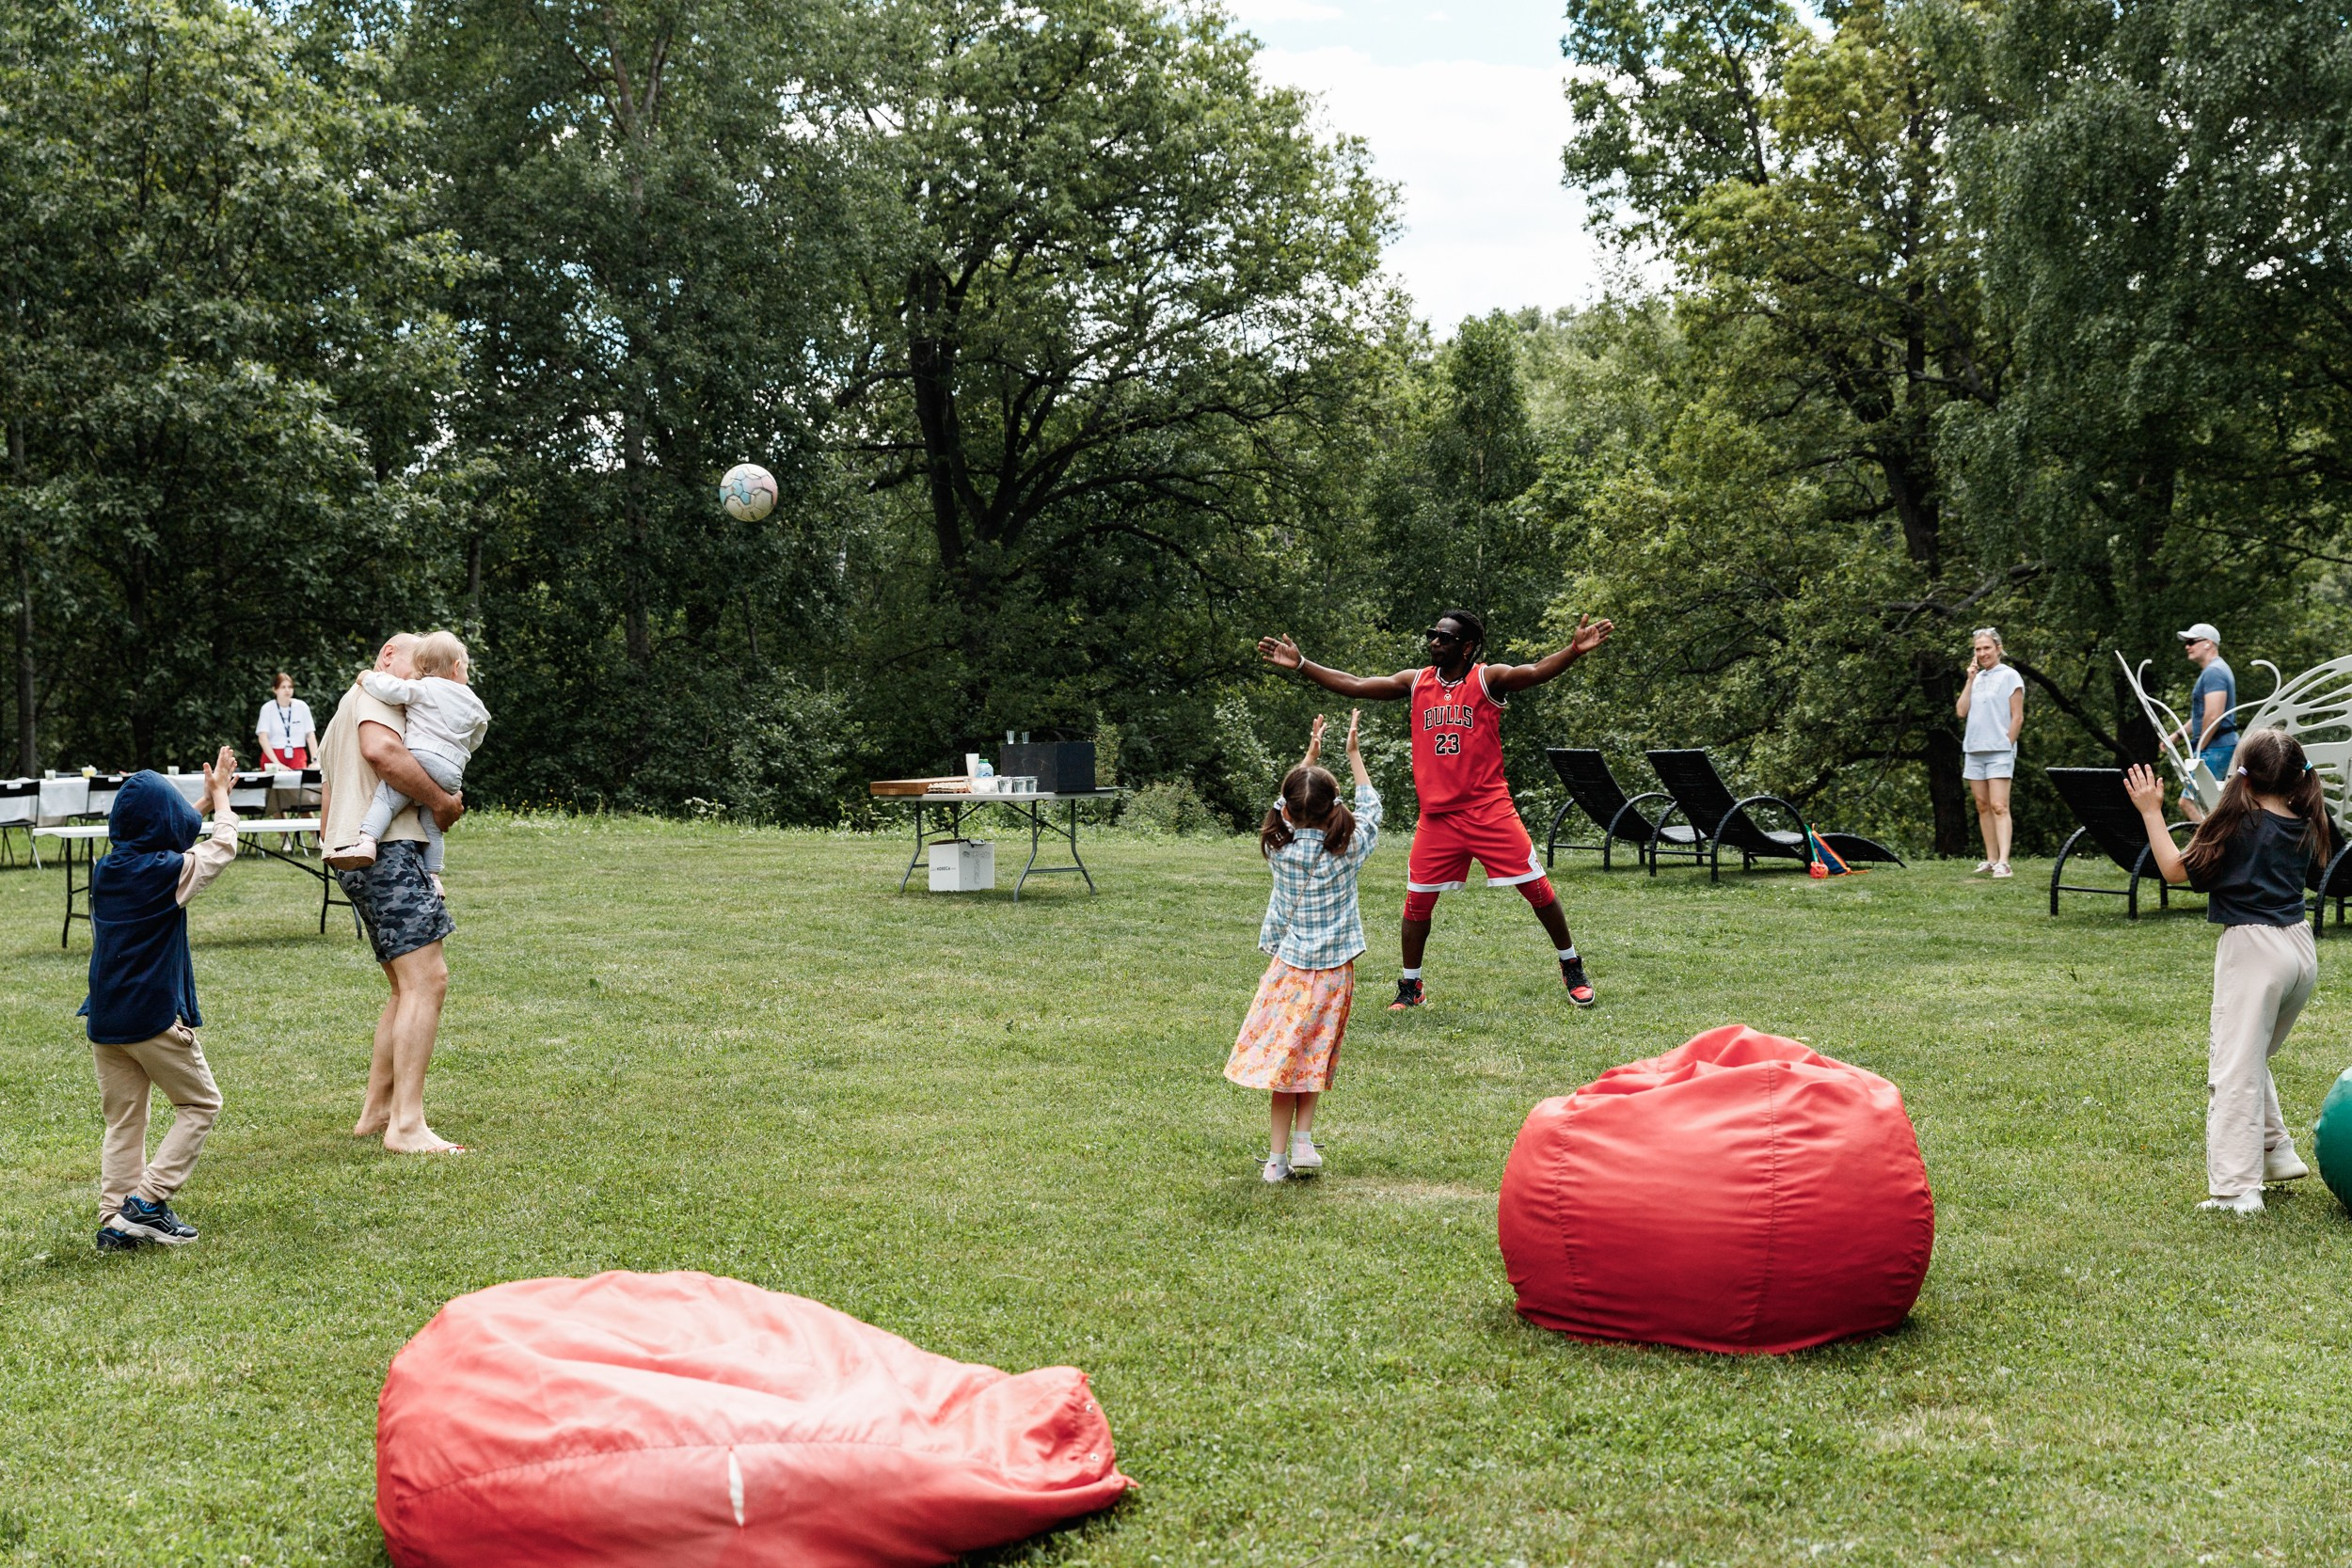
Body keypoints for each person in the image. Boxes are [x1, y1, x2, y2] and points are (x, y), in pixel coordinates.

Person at [1258, 609, 1613, 1010]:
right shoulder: (1417, 681)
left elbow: (1532, 672)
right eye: (1433, 635)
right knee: (1417, 903)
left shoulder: (1486, 677)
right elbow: (1356, 684)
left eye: (1443, 637)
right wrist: (1302, 664)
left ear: (1466, 646)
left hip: (1488, 809)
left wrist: (1573, 651)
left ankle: (1571, 965)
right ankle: (1411, 987)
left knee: (1536, 888)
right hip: (1438, 818)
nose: (1434, 642)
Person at [2124, 728, 2331, 1214]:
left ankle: (2238, 1189)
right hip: (2299, 949)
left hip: (2254, 950)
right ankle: (2275, 1151)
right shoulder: (2307, 817)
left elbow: (2175, 870)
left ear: (2245, 772)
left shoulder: (2236, 822)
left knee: (2234, 1069)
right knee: (2251, 1054)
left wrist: (2152, 811)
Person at [81, 749, 239, 1252]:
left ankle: (115, 1219)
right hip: (152, 1018)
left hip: (106, 1021)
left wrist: (205, 801)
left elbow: (166, 830)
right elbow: (222, 848)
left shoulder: (108, 870)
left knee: (125, 1121)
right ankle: (147, 1203)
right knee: (200, 1104)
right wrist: (221, 805)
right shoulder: (167, 874)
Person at [318, 632, 468, 1155]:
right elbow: (381, 752)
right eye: (417, 661)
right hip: (388, 850)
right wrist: (443, 802)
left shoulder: (343, 710)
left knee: (405, 986)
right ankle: (406, 1126)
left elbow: (330, 792)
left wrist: (335, 850)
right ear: (387, 657)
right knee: (428, 980)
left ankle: (378, 1112)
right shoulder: (380, 692)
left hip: (354, 853)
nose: (425, 672)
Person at [1228, 710, 1381, 1183]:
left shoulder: (1278, 846)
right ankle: (1303, 1142)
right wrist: (1352, 755)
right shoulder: (1349, 848)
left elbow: (1283, 807)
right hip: (1335, 972)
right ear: (1334, 806)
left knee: (1284, 1065)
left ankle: (1277, 1161)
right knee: (1311, 1057)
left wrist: (1307, 761)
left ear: (1288, 811)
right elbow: (1372, 809)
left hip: (1288, 970)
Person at [350, 630, 490, 893]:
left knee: (388, 798)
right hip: (452, 772)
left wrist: (368, 677)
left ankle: (367, 840)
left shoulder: (424, 687)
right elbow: (477, 737)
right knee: (432, 825)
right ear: (457, 667)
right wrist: (459, 753)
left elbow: (392, 690)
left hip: (421, 756)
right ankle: (435, 877)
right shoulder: (474, 701)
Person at [1954, 627, 2026, 878]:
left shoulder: (2010, 676)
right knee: (1982, 805)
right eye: (1978, 649)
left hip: (1999, 751)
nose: (1982, 653)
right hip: (1974, 749)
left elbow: (2017, 717)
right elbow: (1961, 711)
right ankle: (1991, 858)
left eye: (1986, 647)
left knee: (1998, 805)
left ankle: (2004, 862)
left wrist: (2007, 744)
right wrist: (1970, 679)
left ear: (1998, 648)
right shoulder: (1976, 679)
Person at [2176, 622, 2237, 822]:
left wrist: (2200, 748)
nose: (2187, 646)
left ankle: (2211, 849)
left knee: (2189, 802)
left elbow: (2213, 716)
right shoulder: (2215, 670)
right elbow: (2201, 715)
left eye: (2192, 641)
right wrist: (2177, 735)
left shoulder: (2214, 672)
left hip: (2217, 748)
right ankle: (2217, 846)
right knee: (2214, 804)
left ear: (2208, 643)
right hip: (2219, 746)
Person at [255, 673, 316, 770]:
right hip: (273, 755)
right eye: (283, 687)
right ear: (275, 690)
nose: (287, 690)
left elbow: (310, 735)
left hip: (297, 754)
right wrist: (277, 764)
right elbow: (263, 738)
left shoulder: (302, 707)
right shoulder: (267, 708)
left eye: (290, 687)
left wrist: (315, 760)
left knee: (298, 784)